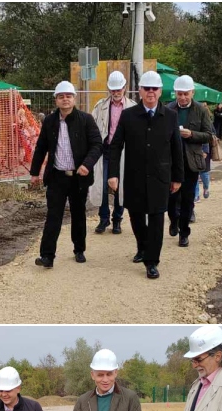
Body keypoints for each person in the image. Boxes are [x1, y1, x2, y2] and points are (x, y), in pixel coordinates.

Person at [106, 70, 183, 280]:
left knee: (158, 218)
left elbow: (177, 148)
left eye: (154, 89)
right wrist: (112, 174)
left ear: (160, 92)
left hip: (160, 177)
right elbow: (115, 146)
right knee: (137, 215)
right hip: (135, 176)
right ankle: (142, 246)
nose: (150, 92)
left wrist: (178, 177)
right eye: (146, 88)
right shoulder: (128, 115)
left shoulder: (170, 116)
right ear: (140, 91)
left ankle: (152, 261)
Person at [29, 81, 102, 268]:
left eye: (68, 96)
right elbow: (41, 147)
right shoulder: (49, 121)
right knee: (53, 216)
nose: (65, 100)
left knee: (78, 214)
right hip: (57, 177)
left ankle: (79, 249)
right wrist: (35, 172)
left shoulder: (85, 119)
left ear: (74, 98)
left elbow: (97, 145)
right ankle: (47, 256)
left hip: (78, 177)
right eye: (61, 96)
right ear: (56, 100)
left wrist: (87, 164)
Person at [164, 76, 212, 248]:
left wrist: (191, 134)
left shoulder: (201, 110)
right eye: (179, 94)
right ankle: (173, 220)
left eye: (186, 94)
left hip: (191, 161)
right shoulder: (168, 108)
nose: (183, 97)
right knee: (171, 197)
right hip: (171, 161)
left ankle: (184, 232)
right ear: (175, 93)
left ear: (192, 92)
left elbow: (208, 134)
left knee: (187, 198)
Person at [91, 71, 136, 235]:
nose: (116, 93)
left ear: (125, 87)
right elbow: (93, 129)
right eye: (113, 90)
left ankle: (117, 220)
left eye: (119, 89)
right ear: (109, 89)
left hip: (124, 152)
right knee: (102, 185)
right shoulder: (100, 106)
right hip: (106, 151)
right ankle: (104, 219)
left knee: (121, 187)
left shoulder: (133, 107)